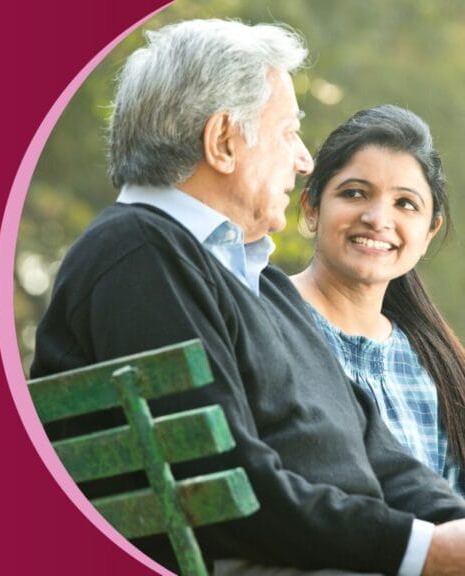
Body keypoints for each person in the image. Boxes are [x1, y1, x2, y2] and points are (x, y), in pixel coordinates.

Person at [30, 19, 465, 575]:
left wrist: (451, 527)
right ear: (223, 142)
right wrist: (422, 552)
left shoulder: (255, 284)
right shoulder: (138, 254)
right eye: (288, 133)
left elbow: (383, 456)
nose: (304, 160)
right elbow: (223, 487)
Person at [290, 105, 465, 497]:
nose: (377, 218)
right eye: (354, 193)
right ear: (312, 208)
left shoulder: (439, 366)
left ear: (429, 231)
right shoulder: (265, 319)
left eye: (405, 204)